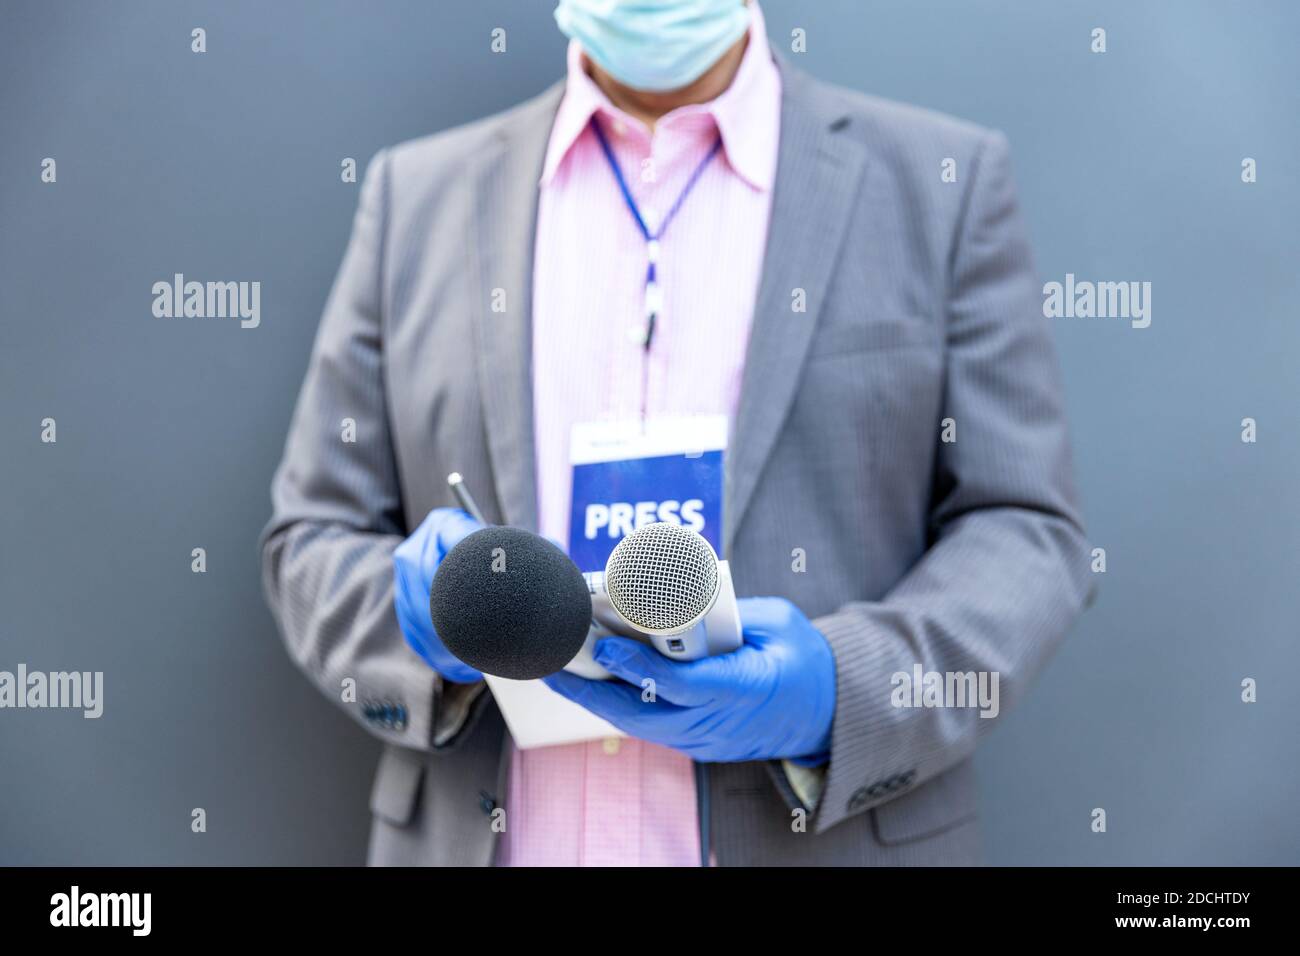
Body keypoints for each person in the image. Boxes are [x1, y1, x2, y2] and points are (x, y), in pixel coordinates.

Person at [261, 0, 1092, 866]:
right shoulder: (417, 196)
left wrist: (840, 692)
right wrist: (428, 621)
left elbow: (1027, 531)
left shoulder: (942, 183)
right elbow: (310, 537)